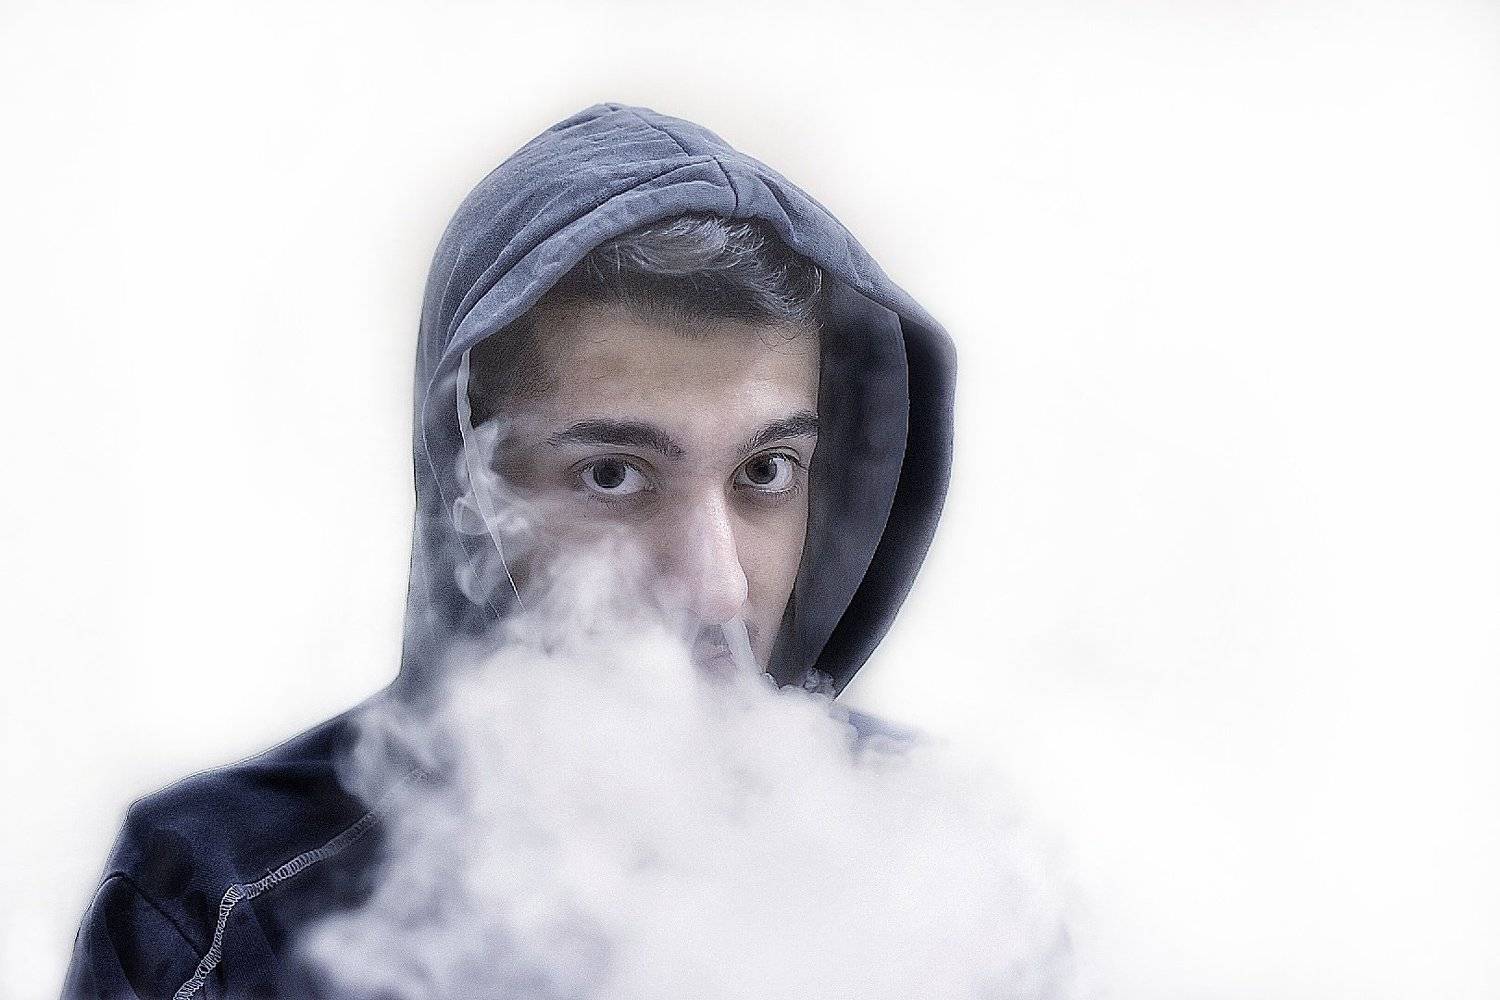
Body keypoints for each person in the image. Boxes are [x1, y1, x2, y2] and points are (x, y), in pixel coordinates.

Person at [62, 101, 955, 999]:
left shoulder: (931, 859)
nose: (714, 588)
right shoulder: (214, 908)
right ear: (471, 491)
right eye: (613, 476)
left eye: (765, 470)